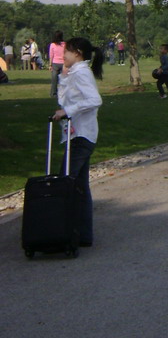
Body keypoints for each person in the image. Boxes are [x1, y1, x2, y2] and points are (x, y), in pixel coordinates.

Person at [51, 37, 104, 248]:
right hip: (78, 135)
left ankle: (62, 231)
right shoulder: (75, 72)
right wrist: (64, 76)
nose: (63, 55)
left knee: (66, 182)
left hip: (81, 136)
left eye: (67, 51)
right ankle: (82, 235)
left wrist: (67, 111)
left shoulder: (82, 72)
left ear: (78, 53)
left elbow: (94, 100)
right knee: (80, 185)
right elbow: (64, 99)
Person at [49, 31, 65, 98]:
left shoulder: (52, 45)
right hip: (63, 63)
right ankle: (63, 93)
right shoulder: (65, 44)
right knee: (63, 80)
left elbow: (51, 55)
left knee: (54, 80)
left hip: (55, 63)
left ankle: (53, 93)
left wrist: (50, 65)